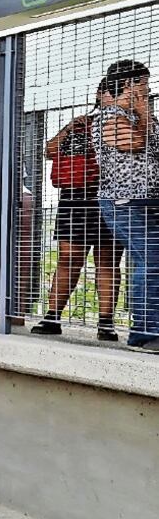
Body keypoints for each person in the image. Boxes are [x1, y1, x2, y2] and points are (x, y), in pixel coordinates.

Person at [32, 81, 123, 341]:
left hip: (110, 197)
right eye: (108, 91)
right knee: (68, 260)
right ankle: (52, 316)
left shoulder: (126, 124)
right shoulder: (82, 124)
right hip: (74, 197)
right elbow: (49, 150)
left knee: (107, 261)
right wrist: (70, 126)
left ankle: (106, 322)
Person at [93, 59, 159, 352]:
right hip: (123, 202)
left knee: (154, 261)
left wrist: (144, 114)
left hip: (148, 200)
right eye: (143, 83)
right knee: (150, 260)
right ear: (129, 85)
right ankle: (143, 335)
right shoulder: (110, 115)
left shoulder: (139, 116)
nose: (147, 88)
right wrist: (144, 112)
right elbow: (132, 143)